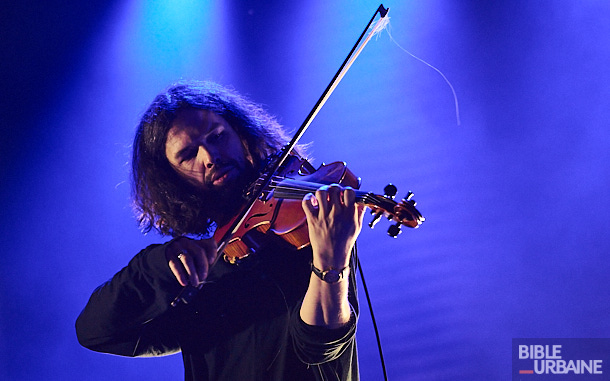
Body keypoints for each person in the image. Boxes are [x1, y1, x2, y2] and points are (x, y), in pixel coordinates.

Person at [75, 80, 364, 380]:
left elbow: (320, 348)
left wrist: (331, 262)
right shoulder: (198, 282)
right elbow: (96, 332)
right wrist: (158, 266)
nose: (210, 157)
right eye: (188, 154)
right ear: (170, 180)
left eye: (218, 136)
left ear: (242, 136)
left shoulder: (310, 228)